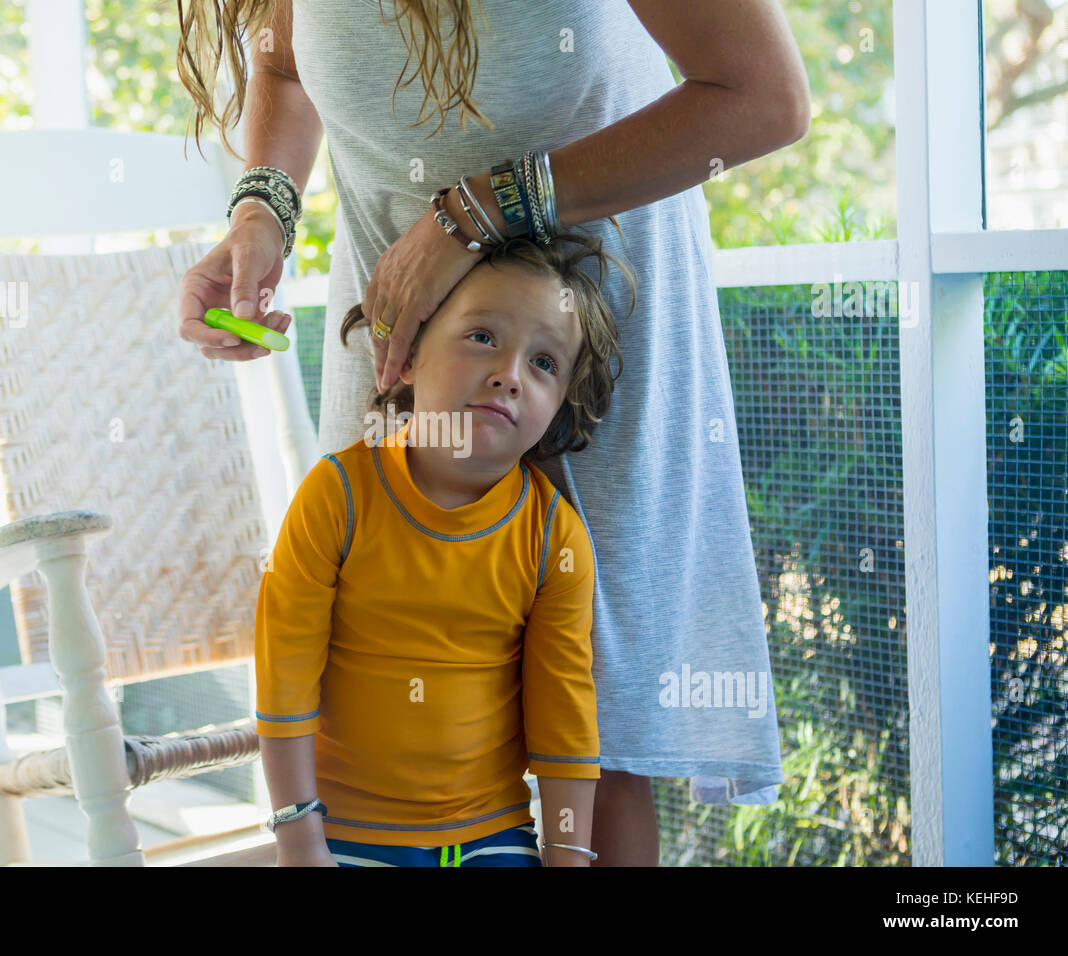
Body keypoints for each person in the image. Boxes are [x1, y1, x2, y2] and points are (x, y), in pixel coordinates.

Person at [177, 0, 810, 866]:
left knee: (600, 713)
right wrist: (262, 211)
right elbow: (286, 68)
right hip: (404, 322)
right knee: (384, 663)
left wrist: (479, 209)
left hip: (583, 326)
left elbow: (764, 99)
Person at [255, 232, 636, 866]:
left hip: (494, 839)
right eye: (483, 336)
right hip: (344, 837)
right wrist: (299, 839)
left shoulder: (554, 538)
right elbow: (284, 682)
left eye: (544, 363)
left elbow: (565, 718)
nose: (508, 375)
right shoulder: (337, 497)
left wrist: (567, 854)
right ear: (405, 354)